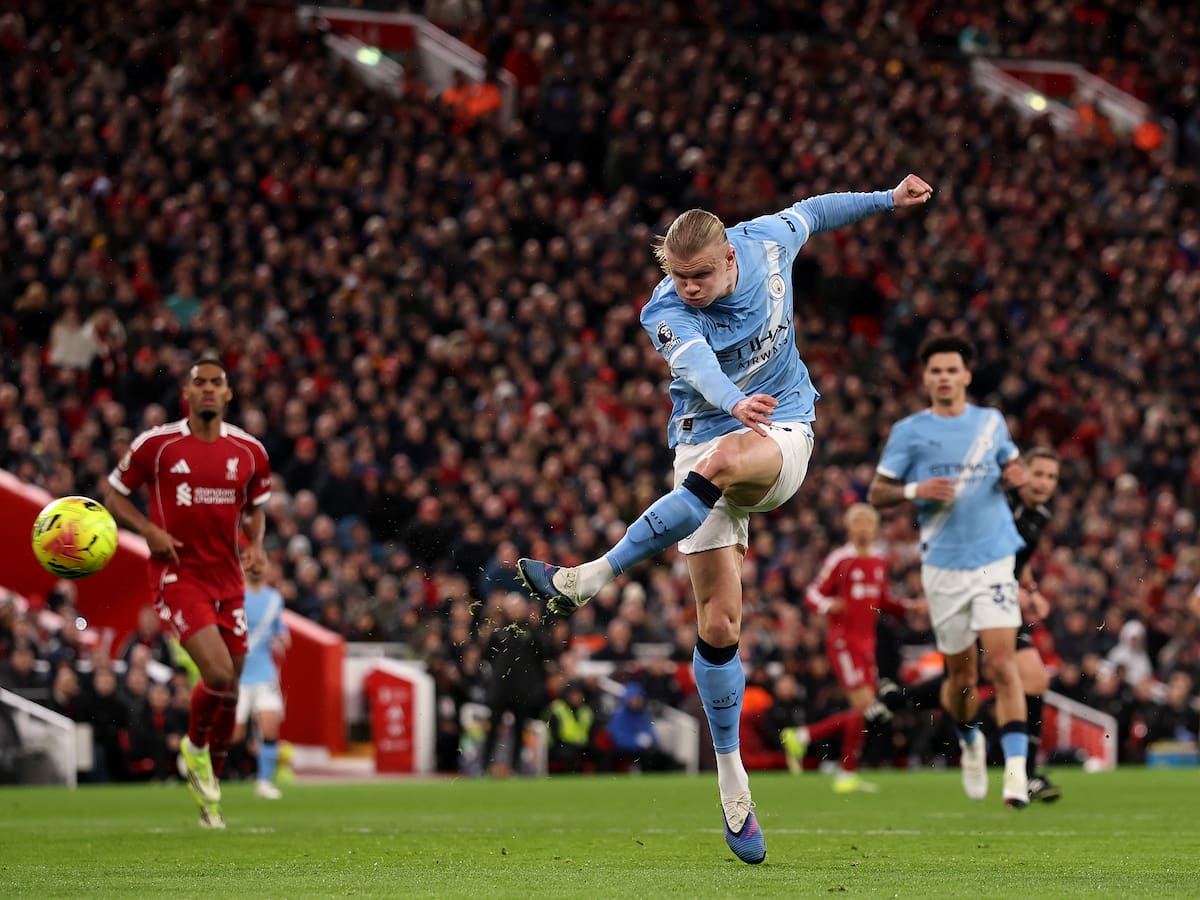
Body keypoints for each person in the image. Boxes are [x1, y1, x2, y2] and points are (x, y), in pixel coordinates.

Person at [517, 174, 934, 863]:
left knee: (729, 460)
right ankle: (732, 779)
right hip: (706, 433)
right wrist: (732, 397)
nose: (689, 287)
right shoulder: (664, 310)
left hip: (783, 432)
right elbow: (697, 366)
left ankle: (590, 578)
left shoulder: (767, 242)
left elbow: (818, 212)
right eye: (678, 276)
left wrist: (887, 199)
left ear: (730, 258)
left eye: (701, 275)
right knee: (718, 623)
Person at [105, 357, 271, 829]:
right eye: (199, 383)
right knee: (218, 674)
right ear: (187, 391)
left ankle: (209, 798)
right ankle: (194, 747)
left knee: (231, 689)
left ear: (228, 394)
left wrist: (256, 547)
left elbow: (257, 508)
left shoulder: (250, 451)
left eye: (216, 384)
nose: (208, 391)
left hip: (228, 581)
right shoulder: (156, 445)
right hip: (178, 577)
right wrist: (147, 533)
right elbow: (115, 494)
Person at [868, 334, 1030, 809]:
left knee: (1002, 663)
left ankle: (1017, 774)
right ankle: (970, 738)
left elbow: (1014, 469)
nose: (943, 378)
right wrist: (917, 488)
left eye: (951, 370)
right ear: (926, 378)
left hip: (995, 558)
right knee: (961, 679)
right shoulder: (910, 432)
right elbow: (878, 493)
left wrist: (1017, 479)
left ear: (966, 375)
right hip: (942, 565)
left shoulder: (991, 423)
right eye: (935, 370)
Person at [780, 503, 915, 792]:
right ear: (849, 527)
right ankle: (837, 765)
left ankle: (810, 743)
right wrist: (829, 605)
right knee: (866, 706)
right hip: (843, 643)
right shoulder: (840, 559)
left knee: (864, 709)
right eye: (859, 521)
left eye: (869, 521)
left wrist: (910, 607)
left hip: (867, 644)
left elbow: (883, 600)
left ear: (876, 527)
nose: (864, 526)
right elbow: (812, 593)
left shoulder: (879, 560)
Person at [1007, 446, 1063, 802]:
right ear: (1022, 472)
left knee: (1035, 678)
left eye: (1052, 477)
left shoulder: (1038, 513)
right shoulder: (1004, 504)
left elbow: (1019, 560)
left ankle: (1026, 775)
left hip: (1002, 600)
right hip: (974, 596)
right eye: (1039, 473)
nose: (1044, 483)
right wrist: (1013, 588)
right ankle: (895, 701)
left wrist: (1029, 588)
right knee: (964, 684)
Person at [231, 542, 290, 800]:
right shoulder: (233, 595)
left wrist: (283, 638)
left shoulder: (275, 599)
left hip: (264, 673)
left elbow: (280, 629)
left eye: (260, 562)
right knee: (234, 735)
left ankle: (264, 782)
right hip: (238, 675)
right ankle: (201, 760)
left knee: (270, 729)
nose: (255, 566)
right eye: (250, 561)